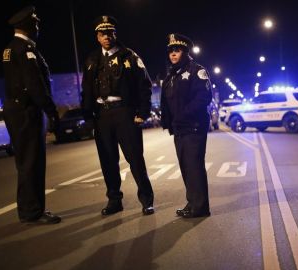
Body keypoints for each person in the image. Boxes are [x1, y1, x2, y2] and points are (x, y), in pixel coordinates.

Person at [81, 16, 155, 216]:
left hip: (124, 112)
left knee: (135, 158)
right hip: (102, 115)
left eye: (110, 32)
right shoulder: (92, 60)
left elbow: (144, 85)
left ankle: (146, 200)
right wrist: (87, 116)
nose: (106, 37)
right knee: (108, 160)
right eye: (102, 33)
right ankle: (114, 200)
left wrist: (143, 112)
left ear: (115, 34)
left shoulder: (129, 56)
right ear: (97, 37)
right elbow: (86, 90)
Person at [2, 6, 61, 224]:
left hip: (16, 110)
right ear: (27, 25)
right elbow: (35, 84)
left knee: (26, 161)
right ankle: (32, 212)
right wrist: (51, 110)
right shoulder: (24, 48)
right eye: (35, 23)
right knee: (31, 162)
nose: (38, 27)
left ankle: (30, 209)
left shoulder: (11, 48)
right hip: (26, 112)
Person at [161, 33, 212, 218]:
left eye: (177, 50)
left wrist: (184, 114)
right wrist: (167, 120)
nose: (173, 54)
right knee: (185, 166)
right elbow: (167, 102)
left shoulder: (196, 70)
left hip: (194, 126)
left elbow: (204, 97)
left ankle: (200, 207)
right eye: (170, 51)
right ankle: (192, 203)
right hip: (179, 128)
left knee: (194, 166)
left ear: (185, 51)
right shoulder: (172, 75)